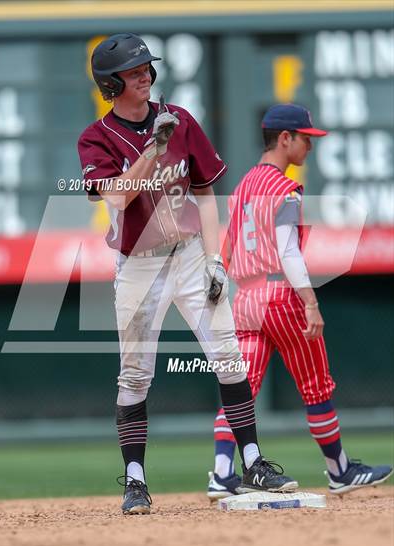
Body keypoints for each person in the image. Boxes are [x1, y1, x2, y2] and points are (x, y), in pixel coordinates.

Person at [78, 34, 297, 515]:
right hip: (139, 264)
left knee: (229, 356)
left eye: (145, 69)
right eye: (133, 71)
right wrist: (152, 151)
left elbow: (204, 191)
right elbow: (114, 197)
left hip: (191, 254)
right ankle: (135, 480)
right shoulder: (96, 138)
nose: (145, 75)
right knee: (135, 376)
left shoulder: (178, 120)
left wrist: (216, 259)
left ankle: (253, 461)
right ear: (111, 84)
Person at [207, 103, 393, 500]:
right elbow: (289, 253)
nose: (309, 146)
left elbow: (227, 248)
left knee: (240, 389)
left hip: (245, 299)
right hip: (281, 295)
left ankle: (222, 473)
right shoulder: (284, 190)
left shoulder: (242, 188)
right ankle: (340, 470)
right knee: (316, 386)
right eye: (305, 139)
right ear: (284, 138)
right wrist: (310, 302)